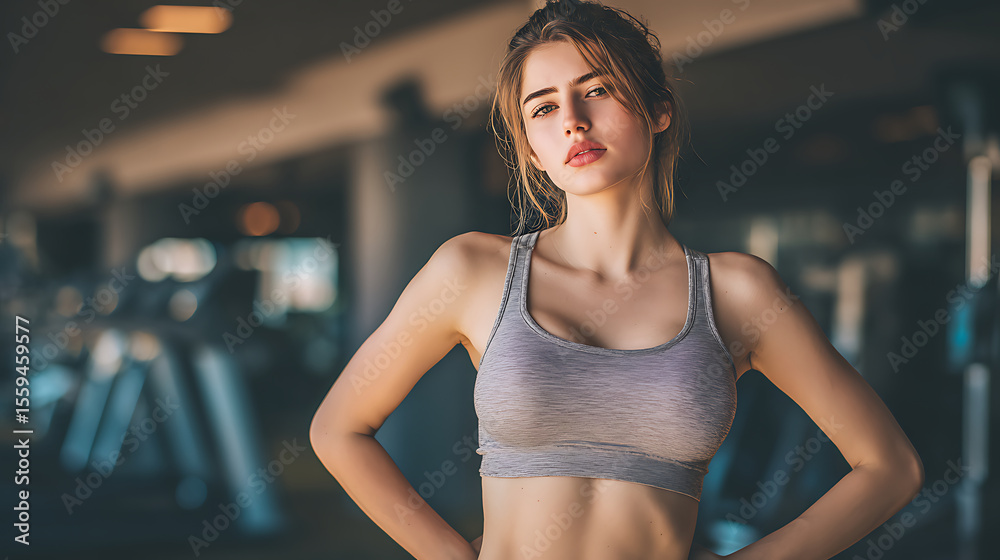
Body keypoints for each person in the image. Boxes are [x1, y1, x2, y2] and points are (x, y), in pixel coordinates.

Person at [309, 1, 925, 559]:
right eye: (544, 107)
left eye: (596, 90)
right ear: (529, 146)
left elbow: (889, 468)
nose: (573, 121)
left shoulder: (738, 293)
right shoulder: (472, 271)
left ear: (659, 108)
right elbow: (338, 430)